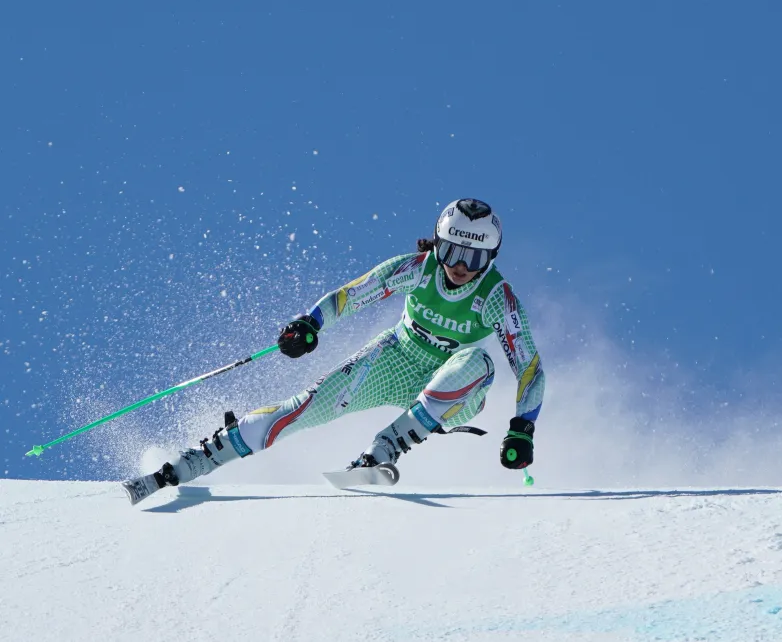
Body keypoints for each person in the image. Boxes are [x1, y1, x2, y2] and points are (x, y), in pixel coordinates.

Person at [122, 198, 546, 504]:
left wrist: (521, 429)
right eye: (452, 252)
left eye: (473, 258)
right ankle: (188, 465)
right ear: (436, 244)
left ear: (491, 258)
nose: (460, 267)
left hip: (455, 391)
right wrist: (310, 324)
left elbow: (529, 369)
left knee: (477, 361)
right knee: (303, 406)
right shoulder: (418, 269)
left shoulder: (496, 297)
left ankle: (382, 452)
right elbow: (351, 295)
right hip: (395, 358)